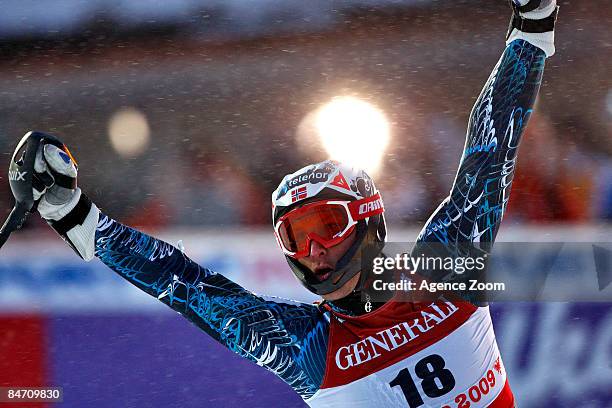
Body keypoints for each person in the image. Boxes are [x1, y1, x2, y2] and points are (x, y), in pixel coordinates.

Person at [24, 1, 558, 406]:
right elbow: (187, 286)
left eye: (327, 225)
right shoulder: (304, 345)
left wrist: (531, 28)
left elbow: (491, 150)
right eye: (295, 239)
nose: (316, 251)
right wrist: (77, 216)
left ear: (369, 221)